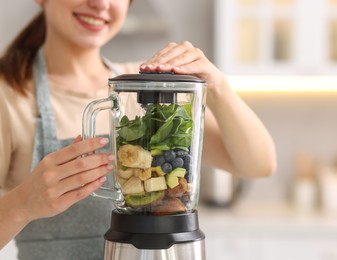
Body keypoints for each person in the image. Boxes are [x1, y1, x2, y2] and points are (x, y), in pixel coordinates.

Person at [0, 0, 276, 259]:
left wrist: (217, 86)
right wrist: (23, 202)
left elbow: (259, 164)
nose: (101, 4)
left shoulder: (147, 85)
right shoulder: (8, 96)